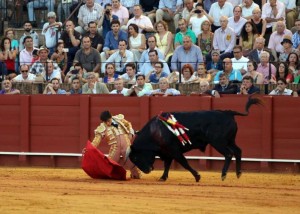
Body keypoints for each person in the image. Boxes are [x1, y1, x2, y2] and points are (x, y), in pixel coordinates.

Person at [91, 110, 141, 179]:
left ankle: (135, 175)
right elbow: (97, 139)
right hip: (115, 148)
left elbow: (128, 124)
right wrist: (90, 148)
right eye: (106, 122)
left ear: (111, 116)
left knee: (136, 172)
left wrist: (130, 133)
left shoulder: (119, 119)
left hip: (126, 145)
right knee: (109, 168)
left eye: (109, 120)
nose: (108, 123)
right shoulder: (102, 127)